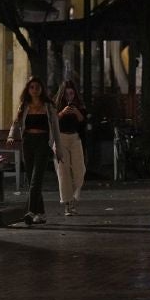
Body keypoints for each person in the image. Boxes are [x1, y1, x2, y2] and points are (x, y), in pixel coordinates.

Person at [7, 76, 62, 225]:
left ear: (42, 89)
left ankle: (30, 211)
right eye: (31, 87)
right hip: (28, 142)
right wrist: (11, 136)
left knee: (36, 180)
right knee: (32, 179)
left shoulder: (49, 106)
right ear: (28, 89)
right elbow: (16, 122)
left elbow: (56, 129)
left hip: (43, 143)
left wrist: (58, 148)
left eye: (37, 87)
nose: (35, 90)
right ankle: (41, 213)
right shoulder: (24, 105)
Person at [54, 80, 87, 216]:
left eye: (71, 93)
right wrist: (62, 113)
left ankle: (73, 197)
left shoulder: (79, 105)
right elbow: (52, 121)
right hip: (60, 138)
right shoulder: (56, 105)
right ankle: (68, 204)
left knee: (80, 170)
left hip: (74, 138)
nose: (69, 96)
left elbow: (83, 123)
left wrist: (77, 113)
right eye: (67, 94)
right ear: (62, 94)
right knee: (63, 172)